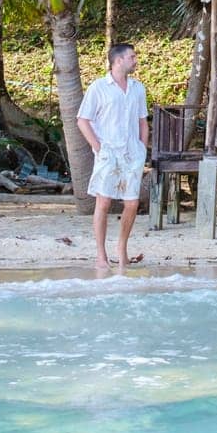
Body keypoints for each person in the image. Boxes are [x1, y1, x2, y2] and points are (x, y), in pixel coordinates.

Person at [76, 42, 149, 271]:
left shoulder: (138, 88)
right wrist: (97, 146)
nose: (135, 60)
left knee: (132, 203)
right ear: (118, 60)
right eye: (132, 57)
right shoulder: (98, 87)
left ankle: (122, 248)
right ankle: (100, 254)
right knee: (104, 201)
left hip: (131, 153)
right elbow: (82, 120)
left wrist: (142, 149)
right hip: (108, 151)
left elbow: (142, 122)